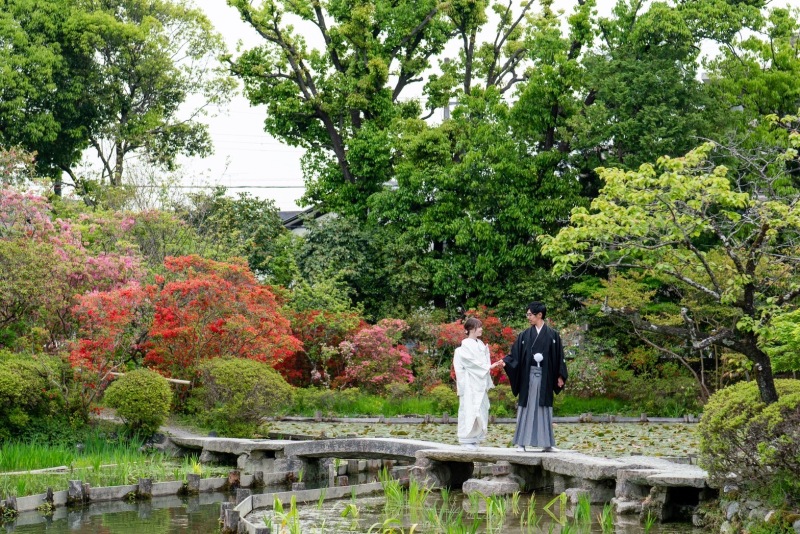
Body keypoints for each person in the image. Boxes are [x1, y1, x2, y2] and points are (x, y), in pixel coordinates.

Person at [502, 302, 568, 452]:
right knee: (526, 407)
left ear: (539, 315)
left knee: (544, 408)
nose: (528, 317)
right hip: (528, 377)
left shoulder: (553, 335)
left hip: (545, 377)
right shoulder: (524, 335)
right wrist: (506, 362)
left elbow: (559, 357)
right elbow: (515, 355)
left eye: (530, 314)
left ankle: (547, 444)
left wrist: (560, 375)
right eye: (528, 315)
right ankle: (521, 443)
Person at [454, 317, 505, 451]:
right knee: (470, 409)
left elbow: (482, 364)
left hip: (480, 383)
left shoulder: (481, 345)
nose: (481, 329)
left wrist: (490, 366)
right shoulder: (463, 348)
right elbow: (471, 363)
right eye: (479, 327)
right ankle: (466, 439)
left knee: (481, 409)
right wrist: (489, 366)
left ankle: (475, 438)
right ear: (471, 329)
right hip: (470, 383)